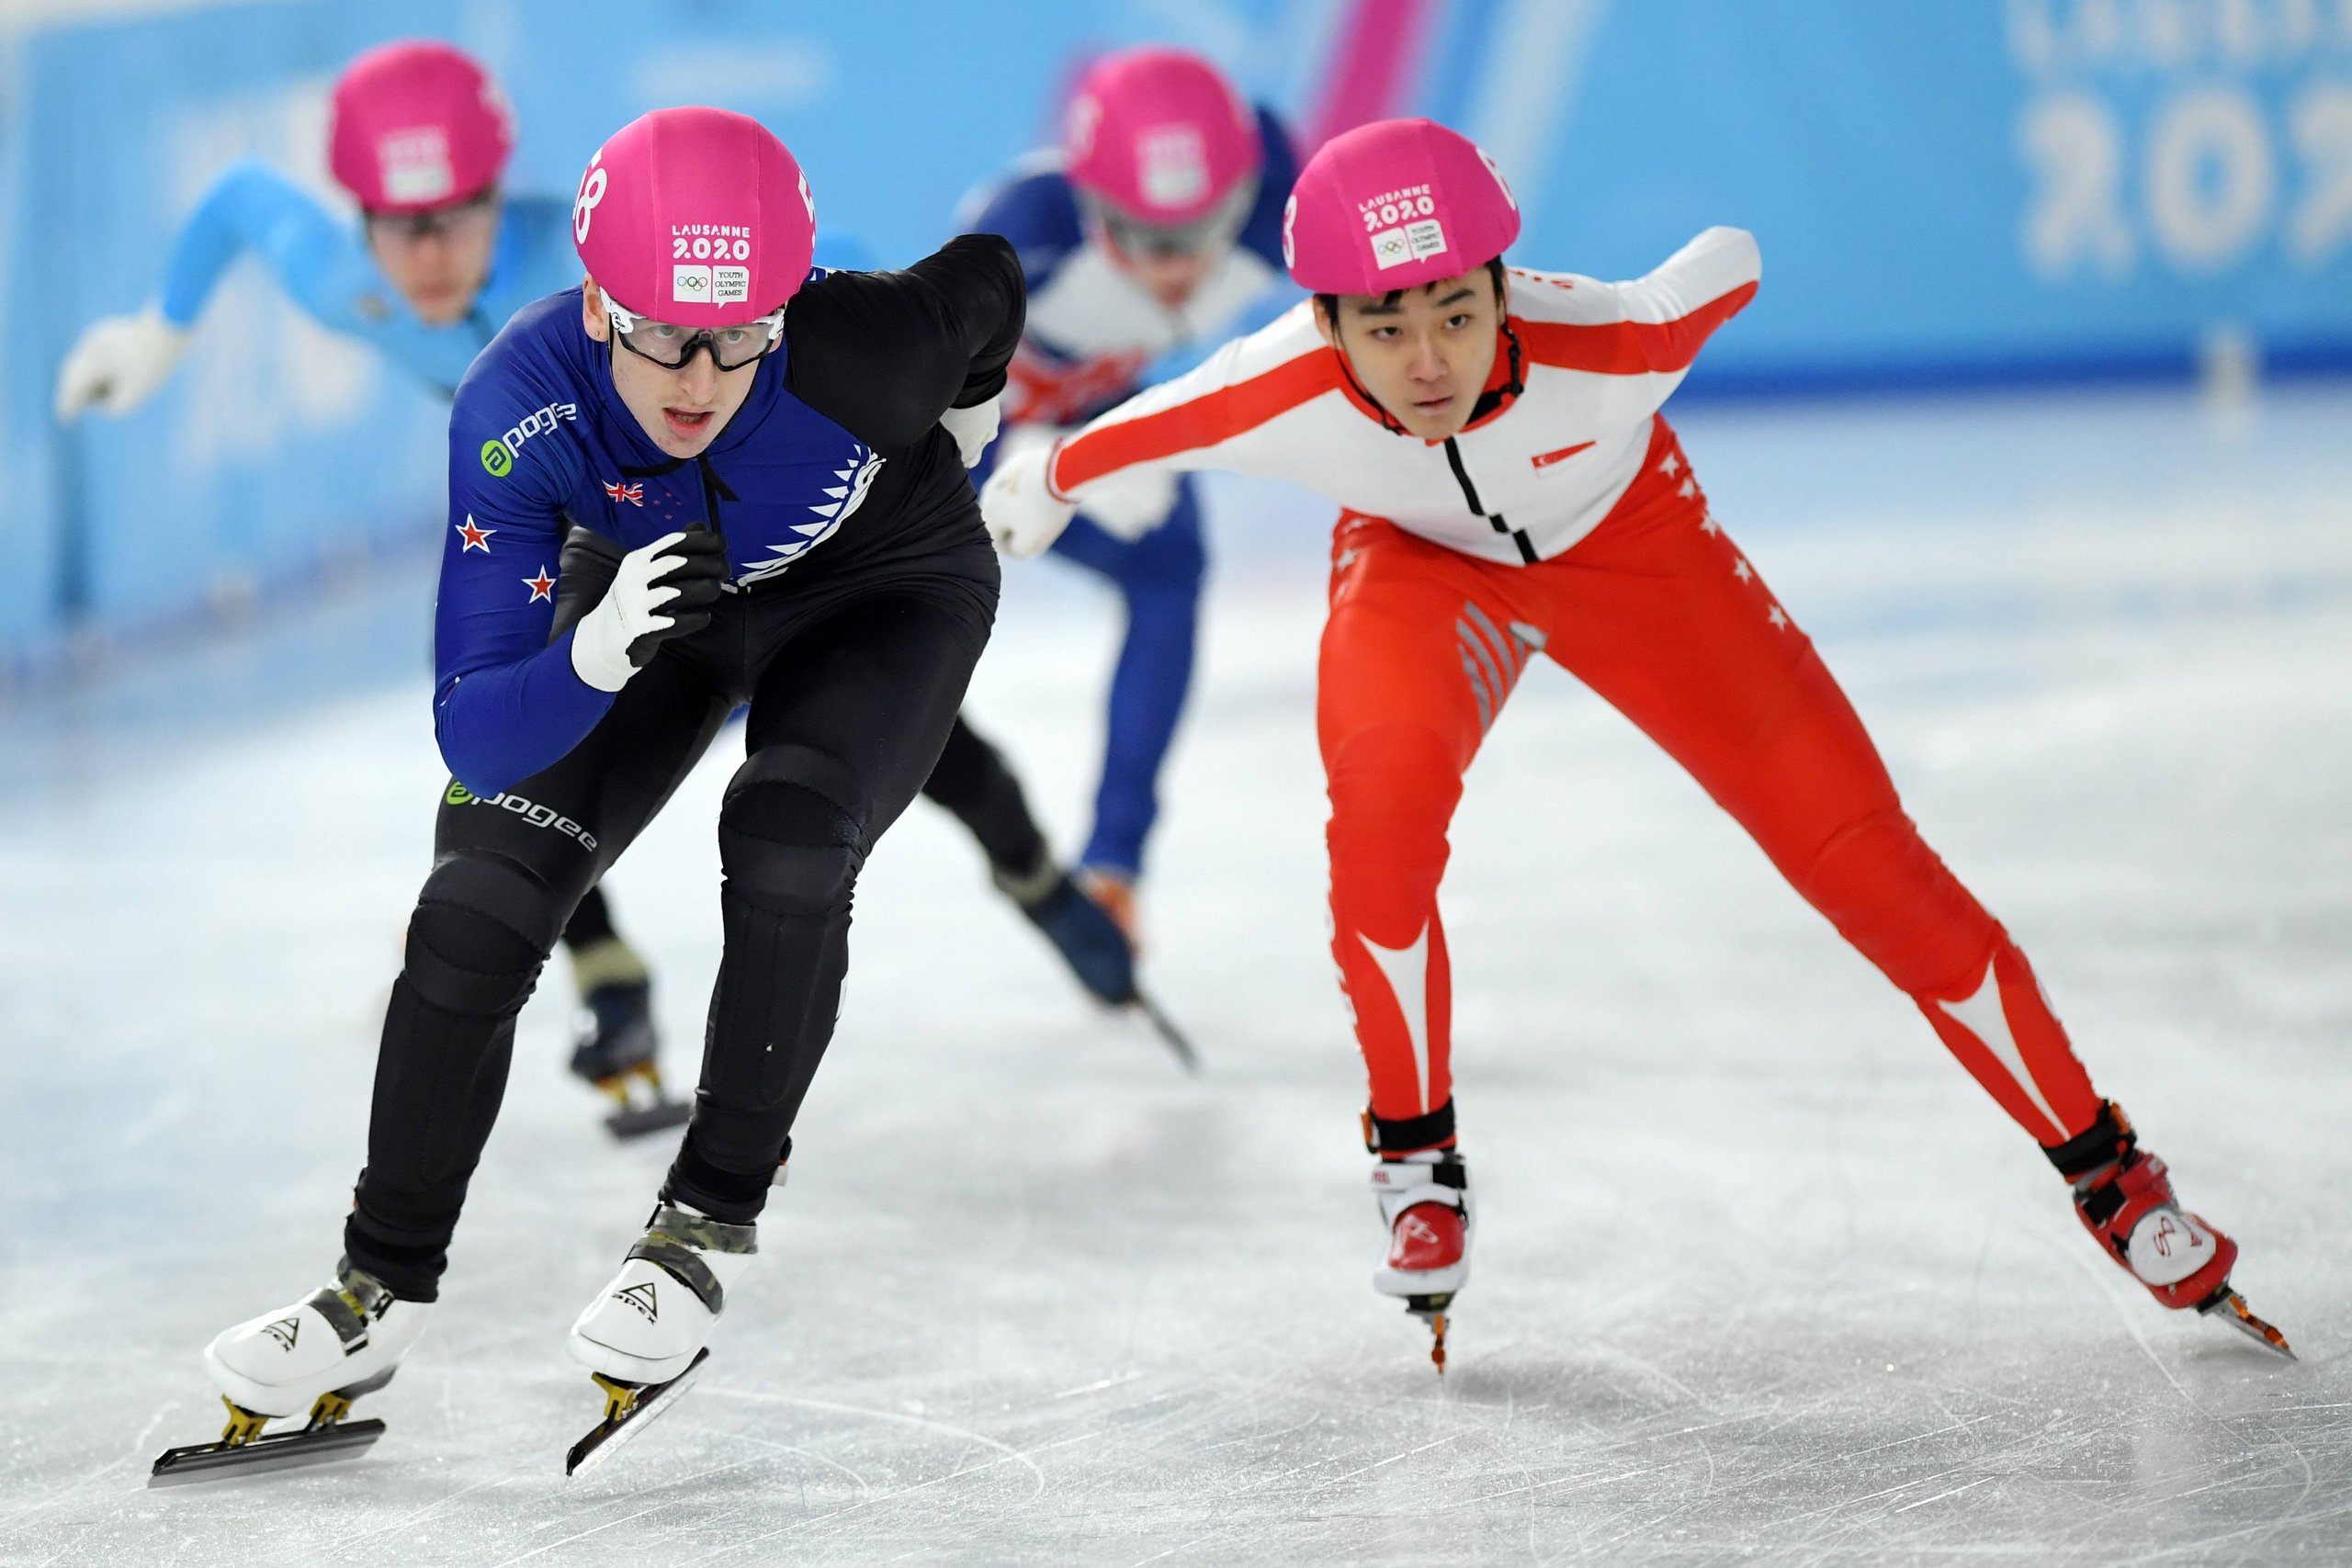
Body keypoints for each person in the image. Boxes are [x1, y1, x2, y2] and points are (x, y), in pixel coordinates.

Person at [982, 118, 2289, 1370]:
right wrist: (1039, 483)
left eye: (1457, 313)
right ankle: (1415, 1158)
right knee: (1378, 818)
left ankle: (2109, 1168)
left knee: (1866, 862)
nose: (1427, 360)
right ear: (1325, 327)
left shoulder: (1613, 338)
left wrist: (1699, 268)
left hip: (1637, 552)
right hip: (1423, 574)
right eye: (1384, 329)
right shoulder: (1274, 386)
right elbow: (1098, 447)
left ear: (1503, 291)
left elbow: (1730, 260)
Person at [185, 106, 1025, 1459]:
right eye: (660, 333)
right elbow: (475, 733)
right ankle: (374, 1286)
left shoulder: (860, 350)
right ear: (595, 302)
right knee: (475, 903)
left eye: (739, 331)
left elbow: (988, 277)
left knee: (791, 834)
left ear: (784, 307)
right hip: (651, 600)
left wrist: (975, 424)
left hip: (882, 588)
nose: (699, 376)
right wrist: (586, 652)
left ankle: (700, 1220)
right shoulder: (520, 409)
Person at [53, 39, 678, 1126]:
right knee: (503, 721)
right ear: (360, 218)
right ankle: (603, 966)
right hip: (541, 501)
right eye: (400, 225)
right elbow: (245, 196)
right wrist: (162, 330)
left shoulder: (589, 264)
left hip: (670, 500)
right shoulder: (343, 276)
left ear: (501, 196)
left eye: (457, 217)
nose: (430, 258)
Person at [952, 43, 1297, 943]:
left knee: (1170, 570)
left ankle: (1115, 864)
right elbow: (914, 402)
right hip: (974, 431)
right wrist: (1043, 455)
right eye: (1147, 239)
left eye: (1207, 226)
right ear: (1091, 206)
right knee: (835, 626)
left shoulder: (1278, 192)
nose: (1182, 266)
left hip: (1099, 404)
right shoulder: (1018, 236)